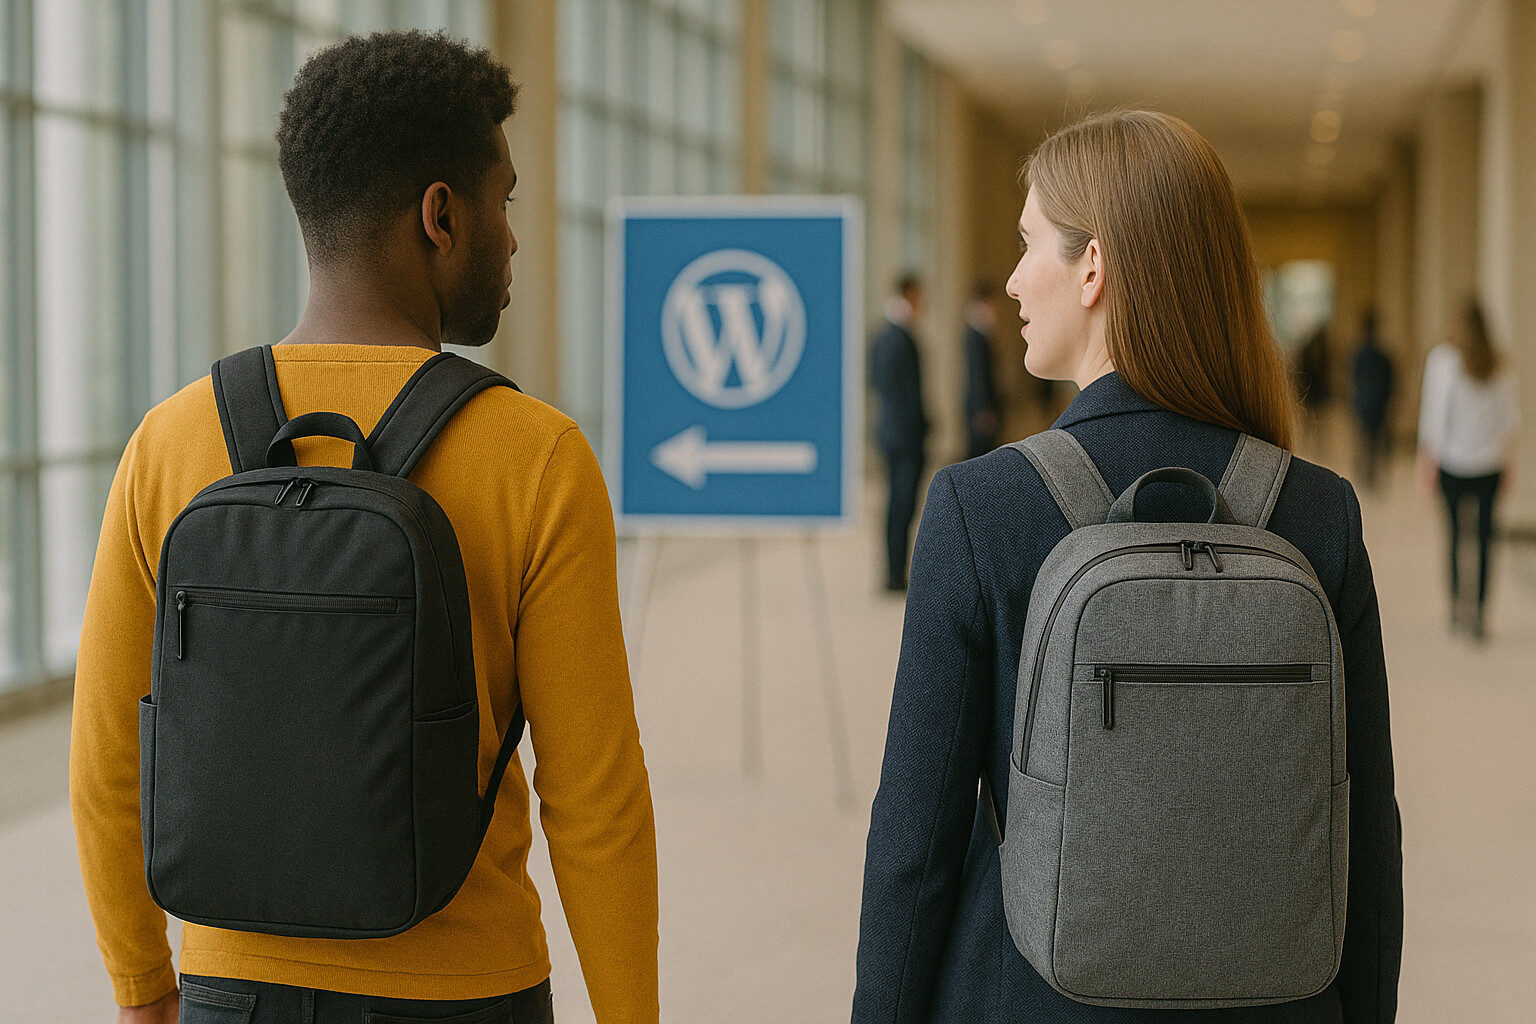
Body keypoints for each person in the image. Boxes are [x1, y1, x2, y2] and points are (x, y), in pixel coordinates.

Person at [71, 32, 658, 1024]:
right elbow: (594, 801)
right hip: (467, 991)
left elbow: (108, 761)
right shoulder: (538, 455)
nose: (514, 238)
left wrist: (142, 988)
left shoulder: (170, 440)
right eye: (503, 202)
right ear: (440, 215)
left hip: (232, 989)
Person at [854, 111, 1402, 1023]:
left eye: (1031, 245)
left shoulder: (978, 509)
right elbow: (1366, 830)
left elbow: (916, 846)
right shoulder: (1313, 511)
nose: (1018, 280)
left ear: (1095, 267)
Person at [1416, 300, 1521, 640]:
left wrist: (1427, 460)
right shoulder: (1499, 362)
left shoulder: (1444, 360)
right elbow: (1509, 421)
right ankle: (1479, 613)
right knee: (1485, 540)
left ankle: (1456, 608)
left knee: (1455, 537)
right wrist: (1509, 464)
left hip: (1452, 463)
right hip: (1489, 464)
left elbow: (1435, 414)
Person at [871, 275, 930, 591]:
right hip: (902, 437)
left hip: (896, 434)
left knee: (900, 503)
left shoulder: (888, 335)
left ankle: (895, 569)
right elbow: (899, 391)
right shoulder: (895, 337)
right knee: (900, 503)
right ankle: (893, 572)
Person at [1351, 309, 1395, 490]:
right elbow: (1391, 381)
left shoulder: (1359, 354)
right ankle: (1370, 473)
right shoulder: (1382, 355)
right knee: (1374, 441)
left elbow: (1353, 379)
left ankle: (1365, 472)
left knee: (1364, 440)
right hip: (1378, 403)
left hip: (1363, 402)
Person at [963, 281, 1002, 459]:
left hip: (986, 406)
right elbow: (977, 375)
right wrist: (982, 409)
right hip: (980, 409)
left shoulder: (984, 333)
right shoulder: (975, 336)